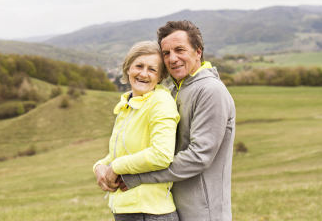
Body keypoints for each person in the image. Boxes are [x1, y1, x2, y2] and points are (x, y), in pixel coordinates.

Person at [116, 21, 236, 221]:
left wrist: (137, 178)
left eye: (180, 49)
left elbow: (199, 157)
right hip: (171, 209)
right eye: (166, 53)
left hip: (204, 214)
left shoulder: (211, 91)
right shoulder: (171, 91)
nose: (173, 58)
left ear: (198, 52)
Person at [93, 41, 181, 220]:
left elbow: (161, 155)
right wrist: (100, 166)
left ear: (160, 75)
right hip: (128, 210)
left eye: (152, 69)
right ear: (128, 68)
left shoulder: (160, 102)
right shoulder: (128, 104)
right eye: (139, 66)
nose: (143, 74)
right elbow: (123, 152)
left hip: (150, 213)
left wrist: (116, 167)